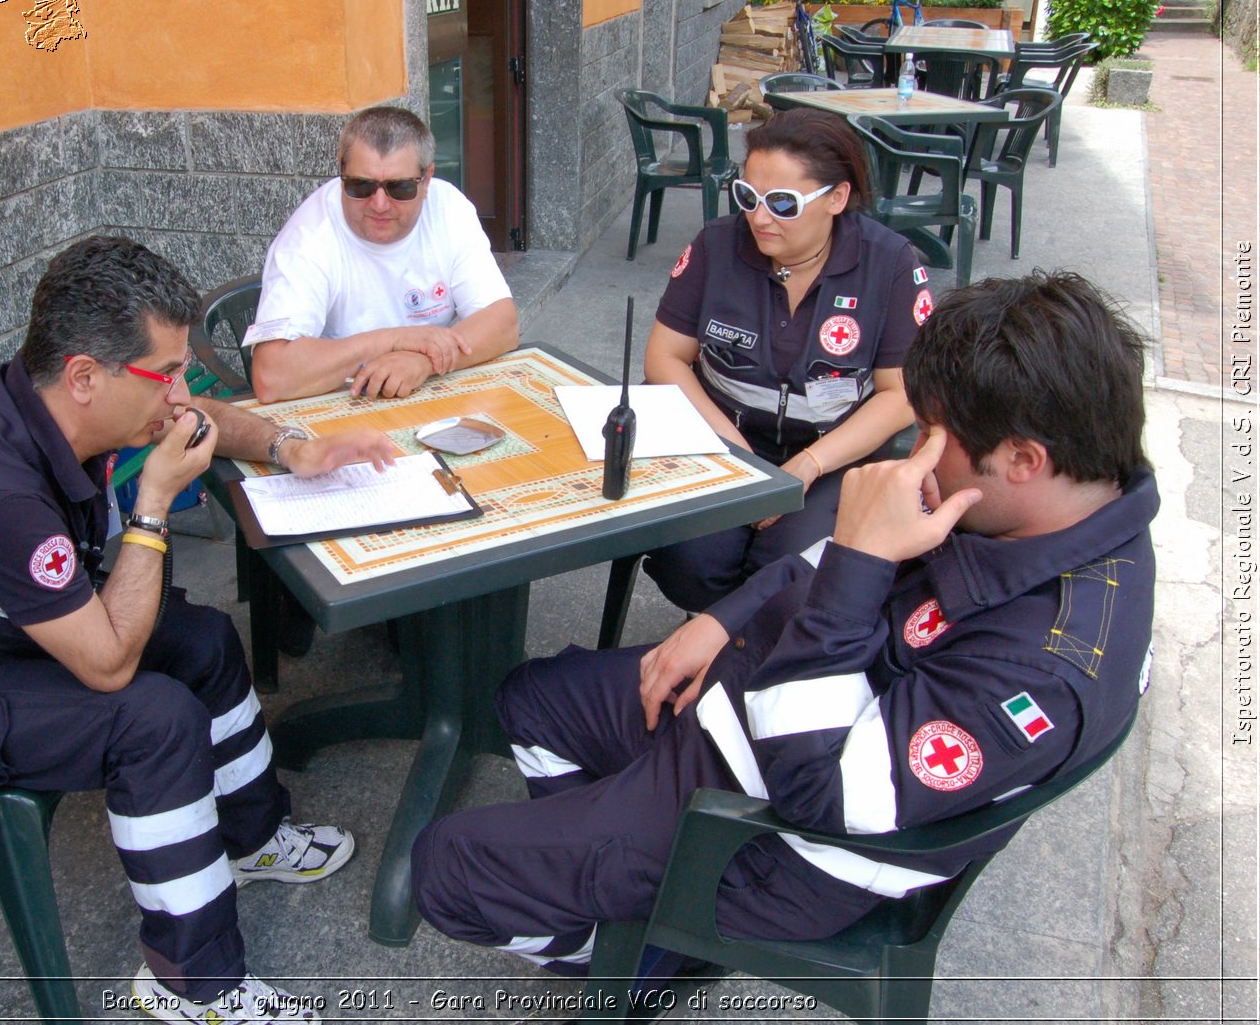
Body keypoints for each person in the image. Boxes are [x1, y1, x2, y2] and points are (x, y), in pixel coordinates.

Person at [411, 270, 1157, 977]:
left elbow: (824, 794)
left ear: (1024, 458)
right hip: (742, 713)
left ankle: (645, 949)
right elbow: (827, 561)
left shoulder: (1044, 670)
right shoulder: (1035, 507)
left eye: (935, 434)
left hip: (773, 834)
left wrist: (861, 561)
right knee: (529, 700)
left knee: (445, 869)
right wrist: (721, 618)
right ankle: (611, 879)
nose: (913, 454)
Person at [0, 236, 398, 1024]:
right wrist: (153, 504)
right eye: (168, 373)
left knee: (203, 639)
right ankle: (194, 985)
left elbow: (194, 417)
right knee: (152, 720)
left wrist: (297, 447)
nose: (183, 392)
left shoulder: (47, 396)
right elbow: (110, 667)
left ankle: (251, 840)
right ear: (85, 375)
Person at [641, 107, 929, 613]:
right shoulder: (716, 245)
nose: (759, 218)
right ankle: (731, 636)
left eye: (782, 203)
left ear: (837, 198)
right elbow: (664, 357)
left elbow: (901, 393)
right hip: (724, 438)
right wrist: (736, 452)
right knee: (689, 562)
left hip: (833, 451)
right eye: (748, 197)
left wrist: (809, 466)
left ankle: (747, 642)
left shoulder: (891, 265)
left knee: (790, 568)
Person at [244, 106, 520, 403]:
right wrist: (393, 340)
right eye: (360, 185)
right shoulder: (308, 238)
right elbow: (271, 377)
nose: (379, 204)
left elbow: (503, 324)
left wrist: (424, 362)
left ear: (427, 180)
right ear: (341, 170)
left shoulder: (448, 207)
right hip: (338, 401)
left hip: (426, 390)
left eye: (399, 188)